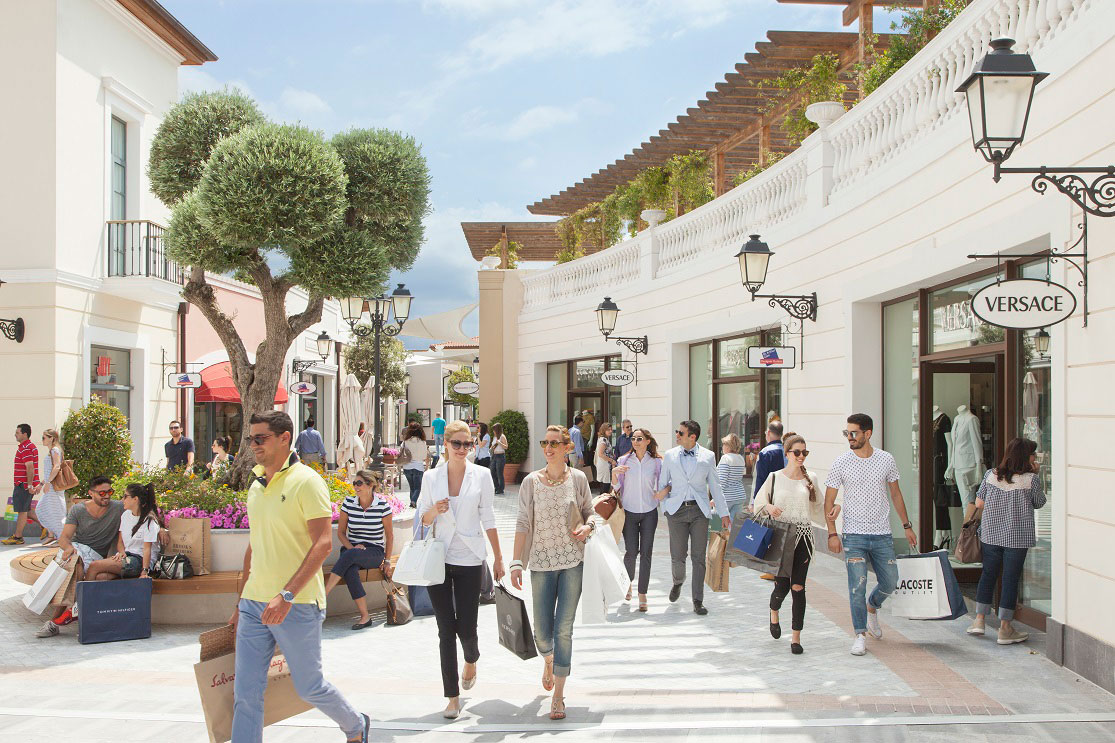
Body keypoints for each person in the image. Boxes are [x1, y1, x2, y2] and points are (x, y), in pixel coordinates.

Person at [229, 410, 369, 743]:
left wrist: (287, 595)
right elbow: (254, 545)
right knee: (245, 693)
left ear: (284, 438)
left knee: (309, 686)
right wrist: (240, 602)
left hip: (298, 602)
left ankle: (356, 725)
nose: (254, 445)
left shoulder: (307, 481)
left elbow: (323, 543)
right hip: (253, 604)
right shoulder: (256, 483)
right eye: (250, 439)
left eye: (260, 438)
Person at [417, 421, 505, 719]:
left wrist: (499, 557)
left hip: (469, 557)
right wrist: (435, 510)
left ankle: (471, 657)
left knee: (467, 627)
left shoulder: (481, 475)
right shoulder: (431, 477)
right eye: (457, 443)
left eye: (468, 444)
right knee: (445, 630)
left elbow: (488, 517)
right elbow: (423, 519)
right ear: (445, 444)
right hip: (438, 558)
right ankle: (452, 696)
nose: (462, 449)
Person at [510, 425, 599, 721]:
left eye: (554, 443)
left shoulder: (578, 478)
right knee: (542, 633)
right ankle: (548, 659)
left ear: (566, 447)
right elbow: (522, 522)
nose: (548, 448)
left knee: (564, 629)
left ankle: (559, 694)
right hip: (540, 563)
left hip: (573, 562)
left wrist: (588, 526)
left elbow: (590, 512)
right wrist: (516, 562)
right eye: (544, 443)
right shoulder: (531, 482)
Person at [824, 412, 917, 657]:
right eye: (847, 433)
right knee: (857, 587)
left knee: (891, 581)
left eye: (853, 433)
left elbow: (896, 494)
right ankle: (859, 634)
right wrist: (832, 533)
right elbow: (829, 500)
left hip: (882, 534)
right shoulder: (841, 462)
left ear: (868, 433)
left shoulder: (886, 459)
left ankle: (872, 606)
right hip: (853, 535)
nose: (849, 437)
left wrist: (907, 526)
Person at [752, 435, 830, 655]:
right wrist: (769, 507)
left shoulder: (810, 478)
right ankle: (774, 611)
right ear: (787, 453)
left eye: (805, 452)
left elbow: (820, 507)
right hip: (781, 539)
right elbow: (758, 503)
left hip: (804, 538)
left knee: (798, 587)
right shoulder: (775, 477)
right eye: (797, 452)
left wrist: (833, 514)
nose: (801, 456)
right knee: (782, 587)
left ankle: (796, 638)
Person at [967, 438, 1046, 645]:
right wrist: (1036, 475)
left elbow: (979, 503)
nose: (1034, 457)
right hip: (1017, 538)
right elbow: (1039, 502)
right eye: (1033, 454)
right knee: (1010, 579)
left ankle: (979, 620)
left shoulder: (991, 475)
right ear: (1025, 457)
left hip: (991, 534)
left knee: (988, 574)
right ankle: (1005, 628)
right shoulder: (1031, 480)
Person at [36, 476, 126, 638]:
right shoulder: (78, 510)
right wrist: (69, 548)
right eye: (102, 493)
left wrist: (160, 529)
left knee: (77, 572)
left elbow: (143, 510)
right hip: (76, 550)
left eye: (110, 492)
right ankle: (67, 617)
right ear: (91, 493)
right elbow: (64, 538)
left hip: (96, 556)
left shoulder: (118, 508)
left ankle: (56, 621)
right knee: (75, 566)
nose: (106, 496)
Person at [657, 420, 731, 616]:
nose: (677, 435)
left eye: (680, 433)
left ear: (692, 437)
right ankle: (678, 582)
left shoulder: (708, 456)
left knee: (699, 558)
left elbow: (715, 486)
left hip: (700, 511)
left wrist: (724, 513)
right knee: (678, 556)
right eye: (677, 431)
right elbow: (662, 484)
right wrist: (666, 509)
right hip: (676, 511)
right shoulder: (670, 455)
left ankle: (698, 600)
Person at [325, 469, 394, 630]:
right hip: (351, 550)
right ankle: (365, 616)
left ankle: (324, 595)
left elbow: (390, 536)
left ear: (370, 485)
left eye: (359, 483)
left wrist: (387, 561)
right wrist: (352, 548)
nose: (355, 486)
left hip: (374, 552)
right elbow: (341, 533)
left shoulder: (382, 506)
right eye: (354, 483)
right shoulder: (349, 503)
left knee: (350, 557)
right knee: (350, 571)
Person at [612, 427, 662, 612]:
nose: (635, 442)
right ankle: (628, 583)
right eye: (633, 439)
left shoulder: (656, 462)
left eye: (639, 439)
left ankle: (642, 594)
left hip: (649, 512)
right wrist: (614, 473)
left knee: (646, 553)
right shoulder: (624, 460)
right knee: (631, 552)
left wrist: (662, 493)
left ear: (648, 441)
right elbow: (616, 488)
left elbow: (664, 483)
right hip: (629, 512)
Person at [84, 483, 162, 582]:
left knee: (94, 565)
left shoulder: (149, 521)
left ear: (135, 499)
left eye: (125, 496)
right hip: (126, 556)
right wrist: (121, 552)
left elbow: (147, 549)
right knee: (100, 577)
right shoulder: (125, 515)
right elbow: (120, 542)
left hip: (140, 561)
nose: (122, 500)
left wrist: (144, 572)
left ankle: (82, 592)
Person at [4, 423, 40, 546]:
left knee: (22, 511)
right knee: (27, 510)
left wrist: (29, 486)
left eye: (17, 433)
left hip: (23, 485)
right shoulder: (27, 446)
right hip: (24, 484)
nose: (15, 435)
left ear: (25, 434)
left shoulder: (26, 448)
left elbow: (30, 467)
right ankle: (47, 527)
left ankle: (18, 537)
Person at [712, 433, 748, 534]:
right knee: (734, 527)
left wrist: (715, 499)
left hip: (727, 498)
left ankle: (721, 543)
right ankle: (733, 543)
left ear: (728, 446)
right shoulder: (740, 458)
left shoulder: (726, 458)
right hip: (739, 496)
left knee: (720, 526)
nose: (722, 447)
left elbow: (721, 481)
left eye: (724, 444)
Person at [36, 428, 66, 547]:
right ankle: (52, 534)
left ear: (51, 438)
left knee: (55, 512)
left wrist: (48, 483)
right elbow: (49, 471)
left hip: (54, 487)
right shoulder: (52, 451)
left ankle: (60, 538)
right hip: (51, 485)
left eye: (44, 437)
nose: (42, 440)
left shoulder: (55, 450)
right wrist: (42, 484)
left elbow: (57, 467)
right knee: (44, 509)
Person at [400, 422, 431, 508]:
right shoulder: (422, 442)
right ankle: (413, 501)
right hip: (418, 466)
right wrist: (427, 466)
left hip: (407, 467)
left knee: (412, 487)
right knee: (418, 487)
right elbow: (425, 456)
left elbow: (401, 452)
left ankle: (412, 502)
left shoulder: (405, 442)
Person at [593, 422, 617, 494]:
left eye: (611, 429)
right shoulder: (603, 440)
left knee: (604, 487)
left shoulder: (604, 439)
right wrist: (611, 460)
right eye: (608, 430)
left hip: (605, 466)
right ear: (604, 430)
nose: (610, 431)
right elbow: (600, 454)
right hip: (604, 466)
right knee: (605, 488)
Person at [489, 422, 509, 495]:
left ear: (497, 430)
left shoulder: (502, 436)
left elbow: (506, 447)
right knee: (492, 472)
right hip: (494, 456)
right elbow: (493, 446)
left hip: (500, 456)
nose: (493, 431)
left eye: (494, 429)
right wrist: (491, 448)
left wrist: (500, 443)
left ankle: (501, 489)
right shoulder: (494, 437)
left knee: (499, 473)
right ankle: (496, 487)